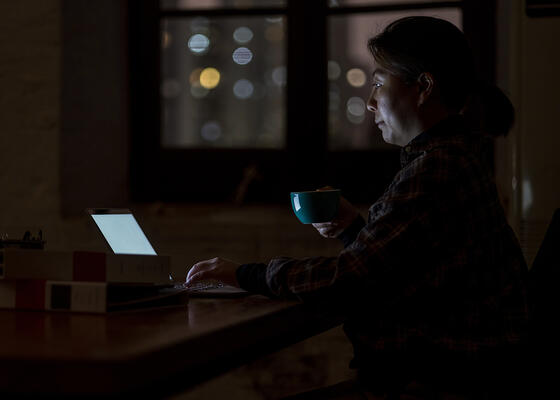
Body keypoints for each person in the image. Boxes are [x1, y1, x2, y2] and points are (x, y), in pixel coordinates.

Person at [186, 16, 529, 398]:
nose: (369, 103)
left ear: (424, 87)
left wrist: (246, 274)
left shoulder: (437, 168)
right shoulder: (456, 157)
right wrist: (353, 228)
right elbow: (393, 268)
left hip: (436, 381)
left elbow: (351, 281)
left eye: (379, 84)